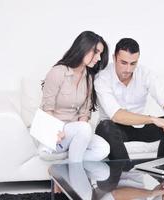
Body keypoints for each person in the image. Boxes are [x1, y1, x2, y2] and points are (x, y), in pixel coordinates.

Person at [39, 31, 110, 163]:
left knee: (103, 148)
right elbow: (47, 108)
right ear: (83, 48)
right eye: (96, 52)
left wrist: (83, 137)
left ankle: (65, 165)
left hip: (75, 133)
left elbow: (84, 111)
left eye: (100, 53)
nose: (99, 58)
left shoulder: (88, 78)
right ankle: (75, 173)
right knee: (84, 128)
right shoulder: (58, 72)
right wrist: (54, 132)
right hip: (57, 134)